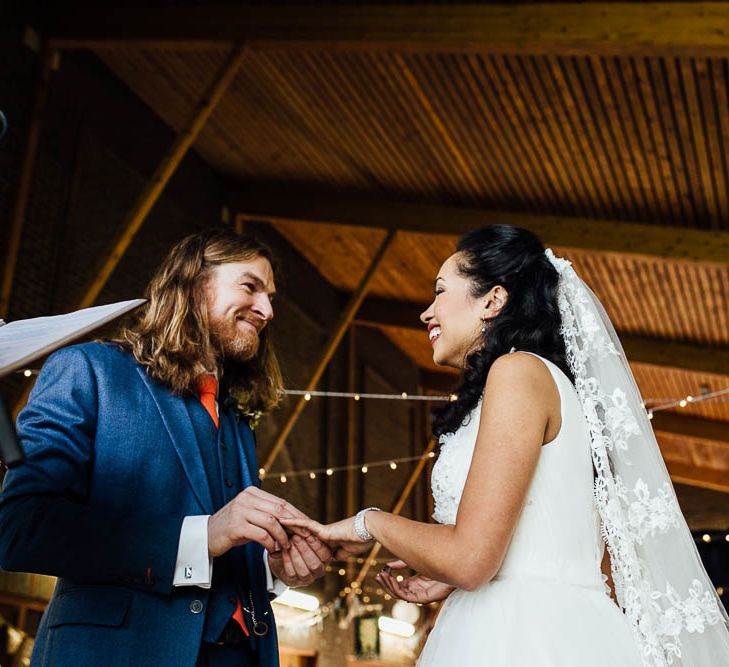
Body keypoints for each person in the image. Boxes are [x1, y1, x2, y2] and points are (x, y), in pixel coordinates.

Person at [284, 225, 729, 666]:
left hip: (526, 635)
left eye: (440, 291)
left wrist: (370, 523)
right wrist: (449, 573)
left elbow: (471, 559)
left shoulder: (517, 373)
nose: (427, 312)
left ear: (493, 301)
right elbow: (532, 535)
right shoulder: (539, 382)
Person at [0, 229, 332, 667]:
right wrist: (201, 536)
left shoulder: (235, 417)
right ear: (193, 284)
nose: (268, 309)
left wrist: (278, 570)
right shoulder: (88, 371)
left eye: (270, 296)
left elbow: (226, 551)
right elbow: (22, 527)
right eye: (250, 286)